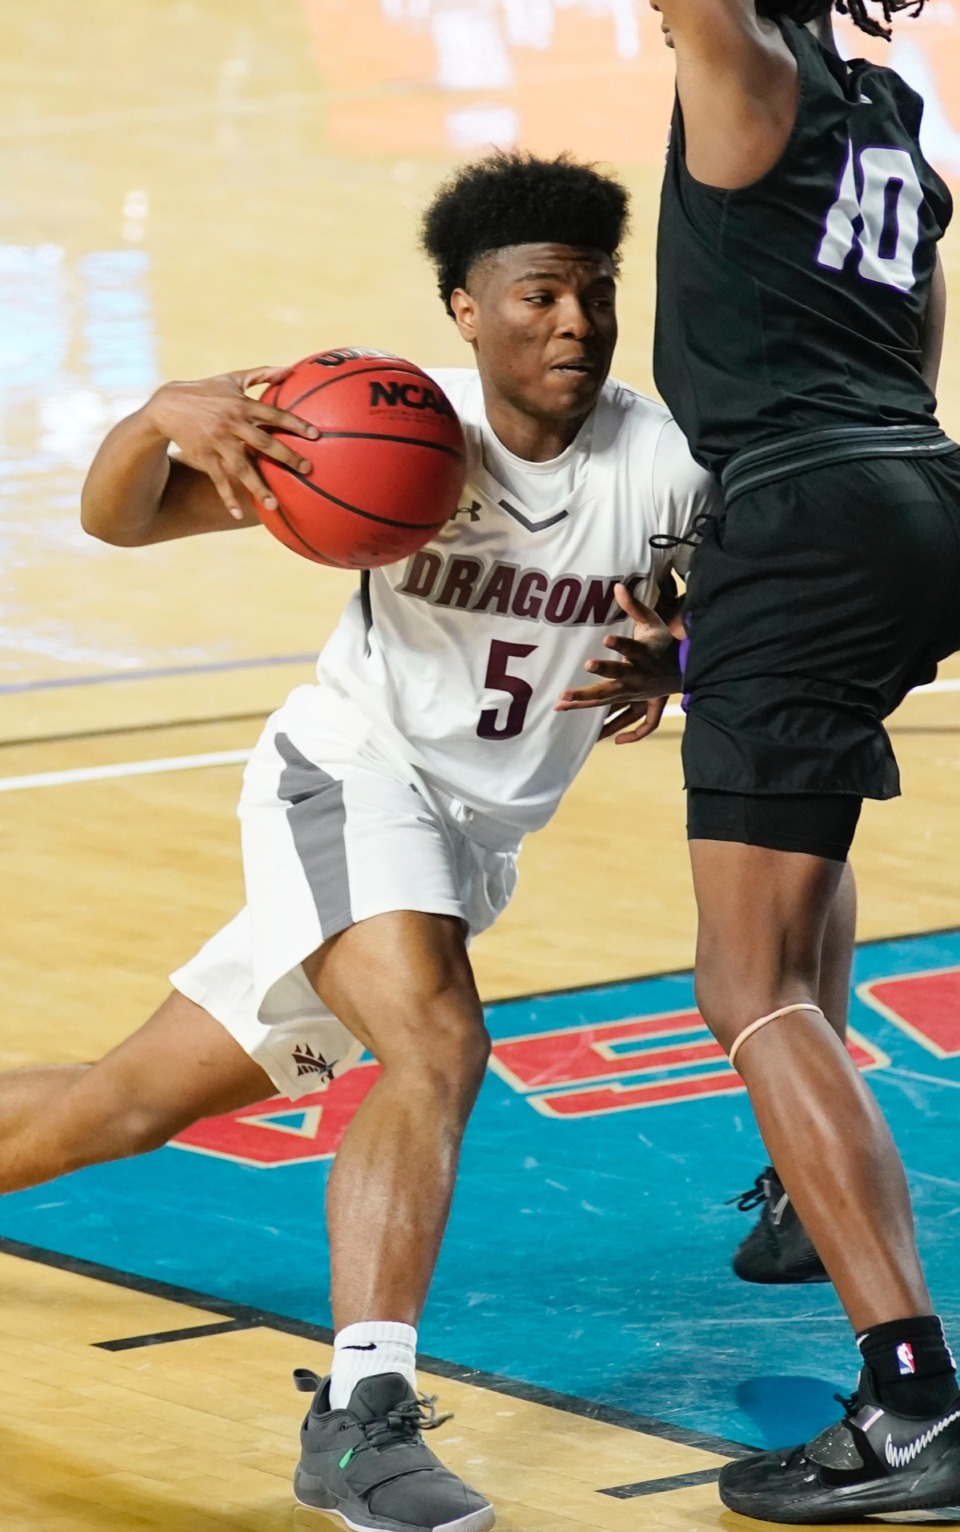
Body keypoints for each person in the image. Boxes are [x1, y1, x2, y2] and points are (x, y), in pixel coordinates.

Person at [0, 152, 724, 1532]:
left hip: (464, 855)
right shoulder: (389, 429)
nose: (574, 321)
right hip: (341, 785)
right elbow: (121, 517)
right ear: (463, 308)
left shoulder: (667, 460)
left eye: (593, 293)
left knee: (125, 1105)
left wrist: (681, 653)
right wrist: (157, 417)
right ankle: (362, 1415)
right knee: (440, 1043)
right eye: (540, 294)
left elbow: (752, 618)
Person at [558, 0, 960, 1518]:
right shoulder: (891, 106)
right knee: (802, 863)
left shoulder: (745, 60)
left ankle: (912, 1401)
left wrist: (756, 573)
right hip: (918, 487)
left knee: (745, 987)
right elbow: (910, 349)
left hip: (803, 523)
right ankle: (807, 1189)